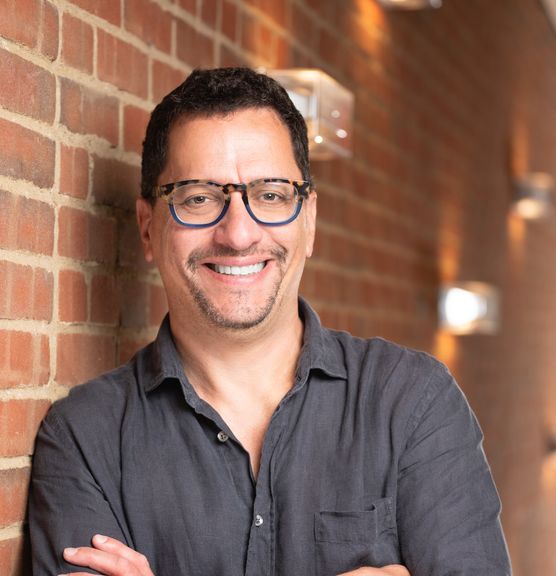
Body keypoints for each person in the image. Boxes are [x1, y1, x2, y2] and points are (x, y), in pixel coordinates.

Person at [29, 67, 511, 576]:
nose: (238, 234)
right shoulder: (85, 438)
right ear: (149, 229)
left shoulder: (412, 402)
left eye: (271, 195)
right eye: (198, 197)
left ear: (309, 222)